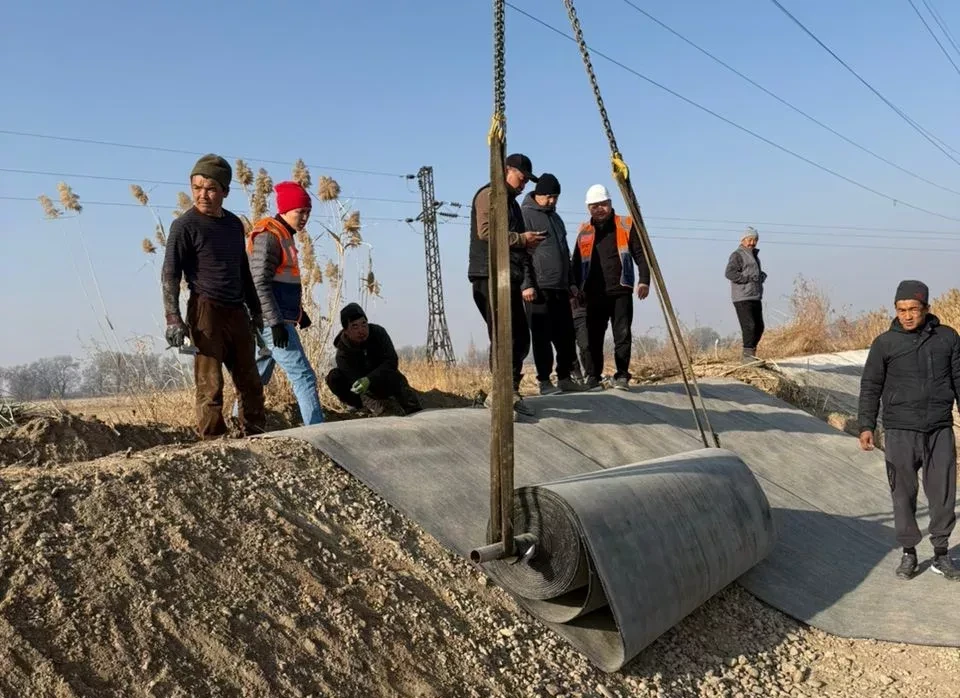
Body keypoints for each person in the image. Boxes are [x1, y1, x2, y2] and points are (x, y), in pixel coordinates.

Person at [858, 280, 960, 581]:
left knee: (942, 493)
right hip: (900, 431)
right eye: (901, 310)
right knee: (902, 494)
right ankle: (909, 554)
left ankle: (941, 554)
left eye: (913, 309)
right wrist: (866, 425)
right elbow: (870, 386)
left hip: (939, 428)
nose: (907, 315)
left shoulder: (948, 339)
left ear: (926, 309)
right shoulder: (885, 344)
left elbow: (959, 377)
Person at [162, 154, 266, 439]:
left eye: (210, 188)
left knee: (250, 382)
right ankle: (213, 442)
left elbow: (243, 271)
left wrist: (256, 312)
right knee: (211, 385)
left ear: (225, 191)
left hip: (237, 311)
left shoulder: (234, 225)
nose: (202, 194)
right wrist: (173, 318)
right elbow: (170, 273)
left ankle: (256, 436)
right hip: (205, 311)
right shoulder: (184, 226)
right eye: (196, 187)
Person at [468, 152, 544, 415]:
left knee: (520, 336)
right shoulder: (489, 195)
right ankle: (498, 394)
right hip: (488, 274)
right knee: (503, 335)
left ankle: (510, 389)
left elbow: (516, 243)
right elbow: (486, 232)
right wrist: (522, 239)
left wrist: (526, 249)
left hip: (507, 275)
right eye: (521, 179)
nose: (523, 186)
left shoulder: (512, 203)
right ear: (506, 169)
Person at [245, 180, 324, 425]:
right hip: (272, 322)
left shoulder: (283, 236)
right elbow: (259, 284)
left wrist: (300, 312)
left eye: (308, 212)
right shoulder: (269, 238)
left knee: (257, 377)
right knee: (304, 376)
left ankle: (240, 422)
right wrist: (276, 322)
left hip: (276, 318)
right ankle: (318, 432)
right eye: (300, 212)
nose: (305, 218)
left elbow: (281, 283)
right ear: (285, 210)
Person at [569, 184, 650, 391]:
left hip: (620, 290)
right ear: (589, 208)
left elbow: (640, 255)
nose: (599, 209)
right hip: (593, 294)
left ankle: (622, 375)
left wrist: (644, 280)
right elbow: (577, 262)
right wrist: (574, 288)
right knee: (594, 337)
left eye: (603, 204)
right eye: (594, 206)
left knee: (622, 334)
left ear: (610, 203)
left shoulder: (625, 224)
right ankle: (594, 377)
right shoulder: (584, 231)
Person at [519, 173, 581, 395]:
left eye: (555, 197)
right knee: (542, 336)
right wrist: (526, 284)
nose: (552, 201)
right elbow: (521, 254)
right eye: (548, 196)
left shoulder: (556, 219)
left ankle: (564, 377)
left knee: (566, 335)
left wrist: (571, 282)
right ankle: (544, 381)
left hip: (560, 286)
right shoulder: (524, 215)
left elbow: (566, 253)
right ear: (537, 194)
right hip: (538, 288)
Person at [325, 303, 422, 417]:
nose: (361, 330)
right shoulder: (342, 354)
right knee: (334, 377)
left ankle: (413, 408)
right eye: (355, 326)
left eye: (364, 324)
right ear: (346, 331)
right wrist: (380, 410)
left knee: (394, 375)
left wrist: (370, 379)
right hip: (363, 389)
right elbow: (356, 385)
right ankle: (361, 408)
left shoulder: (378, 333)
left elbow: (392, 361)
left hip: (382, 379)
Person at [725, 226, 767, 365]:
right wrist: (747, 278)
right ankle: (747, 357)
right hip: (742, 297)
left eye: (755, 240)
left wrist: (760, 276)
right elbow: (730, 273)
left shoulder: (754, 255)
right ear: (743, 240)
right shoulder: (737, 255)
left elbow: (751, 273)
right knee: (749, 326)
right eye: (749, 239)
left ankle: (751, 355)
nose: (752, 243)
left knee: (759, 327)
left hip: (755, 295)